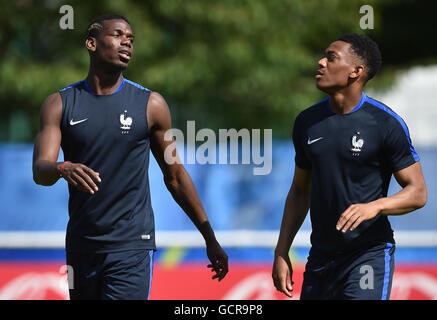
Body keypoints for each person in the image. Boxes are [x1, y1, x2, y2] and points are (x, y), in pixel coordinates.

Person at [32, 14, 228, 300]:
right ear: (91, 43)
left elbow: (175, 176)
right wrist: (62, 167)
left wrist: (209, 238)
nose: (127, 42)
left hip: (131, 247)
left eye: (131, 39)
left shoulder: (151, 105)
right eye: (118, 35)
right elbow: (41, 171)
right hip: (81, 246)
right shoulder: (59, 104)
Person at [272, 33, 427, 300]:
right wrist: (281, 251)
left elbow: (418, 192)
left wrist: (375, 206)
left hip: (368, 256)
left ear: (356, 71)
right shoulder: (307, 121)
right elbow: (299, 191)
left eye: (331, 58)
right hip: (320, 258)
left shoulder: (385, 124)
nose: (321, 62)